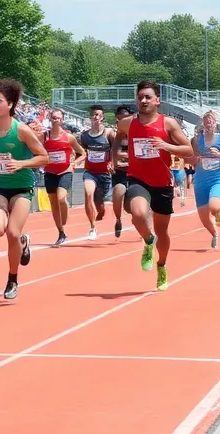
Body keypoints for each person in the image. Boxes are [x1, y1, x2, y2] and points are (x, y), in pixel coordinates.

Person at [109, 81, 195, 291]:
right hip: (138, 178)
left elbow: (188, 150)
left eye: (148, 97)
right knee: (138, 213)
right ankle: (148, 241)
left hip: (163, 183)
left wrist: (166, 146)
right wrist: (113, 157)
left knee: (163, 232)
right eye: (140, 98)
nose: (143, 101)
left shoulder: (169, 124)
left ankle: (162, 264)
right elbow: (118, 136)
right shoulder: (127, 123)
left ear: (157, 101)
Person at [0, 78, 49, 300]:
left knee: (12, 233)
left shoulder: (21, 130)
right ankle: (21, 242)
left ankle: (12, 279)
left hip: (22, 187)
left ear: (11, 105)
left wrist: (22, 163)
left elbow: (44, 157)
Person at [187, 110, 220, 249]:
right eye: (207, 122)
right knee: (204, 219)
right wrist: (194, 158)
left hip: (218, 178)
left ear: (216, 124)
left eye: (212, 122)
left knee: (214, 207)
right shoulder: (196, 140)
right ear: (203, 124)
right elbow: (189, 159)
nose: (209, 124)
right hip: (201, 181)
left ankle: (218, 210)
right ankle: (215, 234)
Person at [43, 108, 85, 247]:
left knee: (61, 198)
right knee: (53, 203)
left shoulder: (69, 137)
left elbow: (82, 153)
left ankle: (64, 217)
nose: (56, 120)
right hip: (49, 172)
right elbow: (34, 147)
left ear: (62, 120)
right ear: (50, 118)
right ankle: (61, 232)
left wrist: (75, 162)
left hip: (65, 171)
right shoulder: (44, 136)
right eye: (53, 117)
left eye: (58, 118)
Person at [78, 105, 115, 241]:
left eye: (98, 114)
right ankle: (93, 228)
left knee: (99, 202)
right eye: (93, 114)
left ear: (102, 117)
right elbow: (81, 151)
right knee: (88, 194)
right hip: (90, 171)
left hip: (104, 173)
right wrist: (76, 161)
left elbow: (114, 149)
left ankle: (101, 210)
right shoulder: (84, 136)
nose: (96, 117)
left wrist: (112, 161)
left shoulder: (109, 133)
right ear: (90, 117)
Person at [109, 105, 133, 238]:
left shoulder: (137, 133)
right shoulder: (117, 135)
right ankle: (118, 219)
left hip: (136, 172)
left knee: (131, 208)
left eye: (125, 119)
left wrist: (125, 156)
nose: (121, 123)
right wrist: (113, 161)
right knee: (118, 193)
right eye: (119, 120)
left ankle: (145, 220)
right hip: (121, 172)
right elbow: (115, 152)